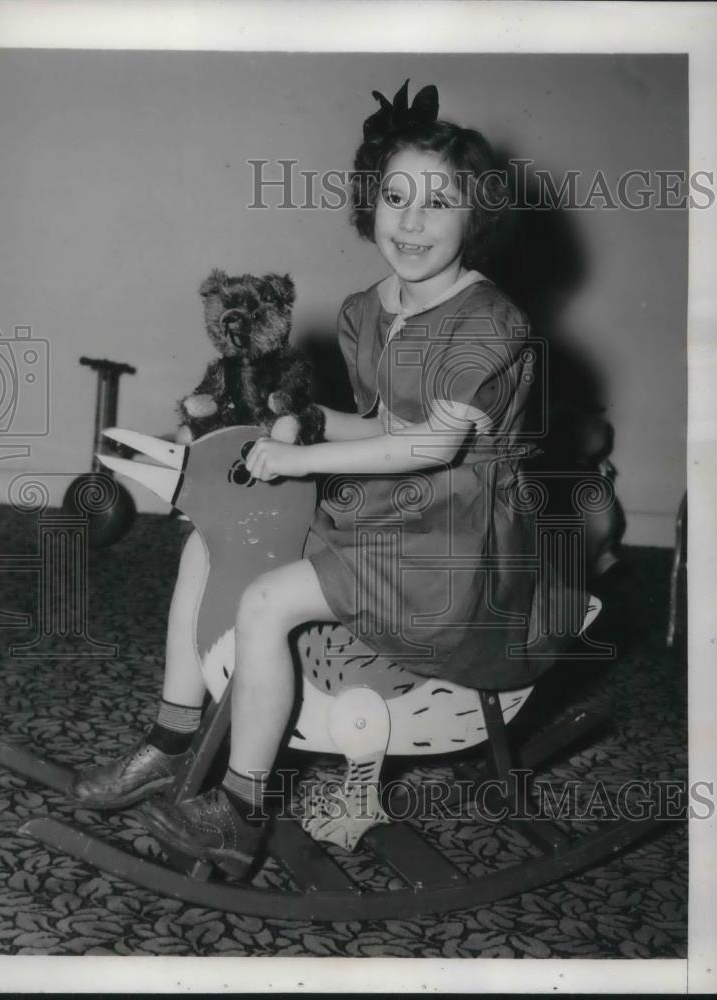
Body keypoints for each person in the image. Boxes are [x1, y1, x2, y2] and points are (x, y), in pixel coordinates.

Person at [72, 80, 587, 879]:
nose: (411, 222)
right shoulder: (370, 308)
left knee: (268, 601)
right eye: (395, 197)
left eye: (438, 203)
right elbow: (382, 427)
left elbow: (429, 448)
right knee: (211, 544)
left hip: (458, 551)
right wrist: (298, 427)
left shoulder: (490, 323)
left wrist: (303, 459)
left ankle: (241, 810)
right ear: (368, 202)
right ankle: (171, 737)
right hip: (394, 515)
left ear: (475, 216)